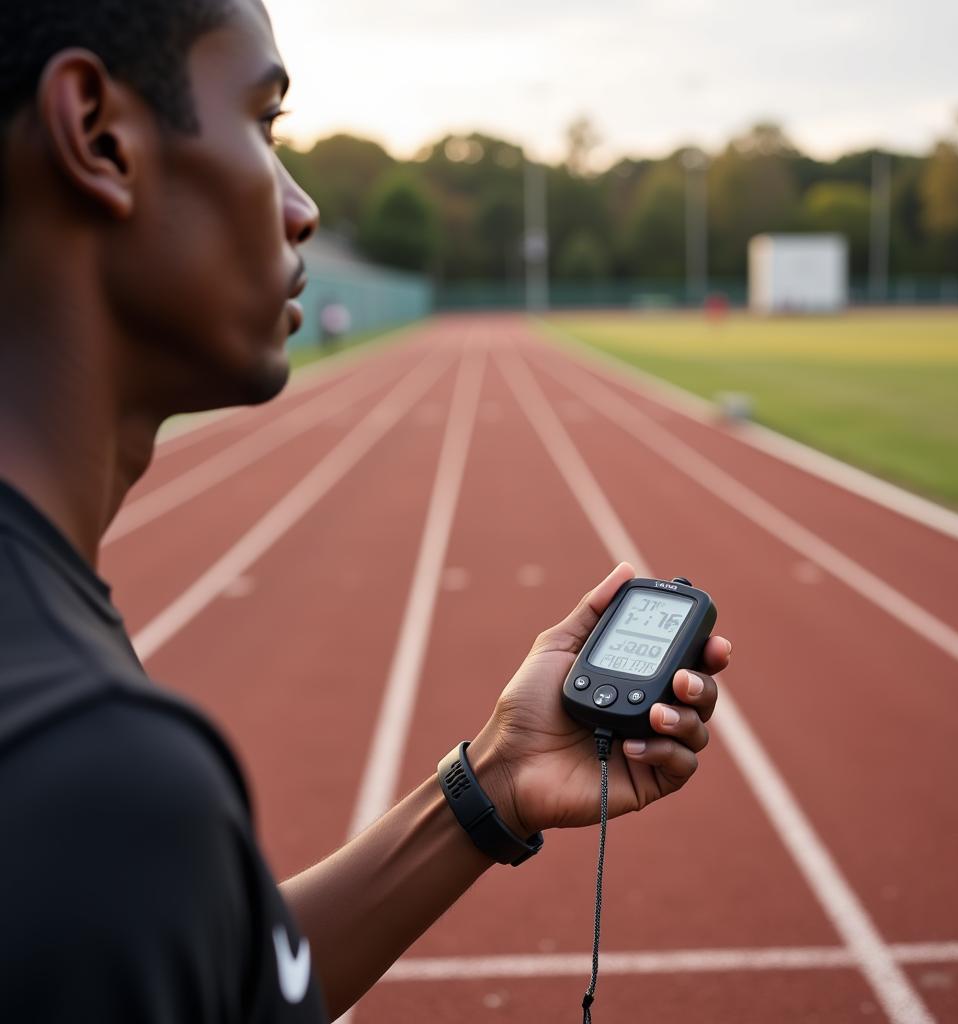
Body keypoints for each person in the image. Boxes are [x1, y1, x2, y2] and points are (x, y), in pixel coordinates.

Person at [0, 1, 732, 1020]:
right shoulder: (91, 771)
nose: (300, 207)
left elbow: (231, 983)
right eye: (266, 125)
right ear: (97, 133)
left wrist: (491, 788)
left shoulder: (49, 652)